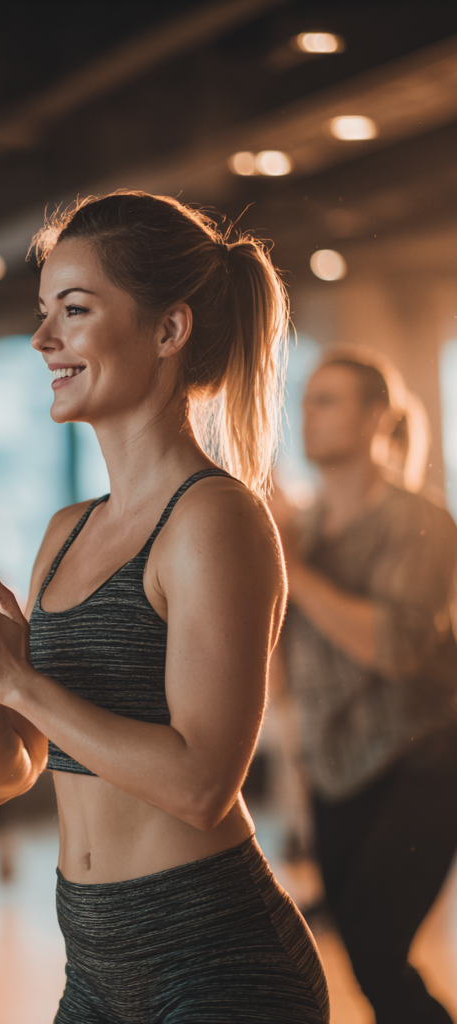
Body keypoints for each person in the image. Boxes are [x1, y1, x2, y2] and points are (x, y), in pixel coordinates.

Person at [0, 190, 330, 1023]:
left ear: (169, 331)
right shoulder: (66, 532)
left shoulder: (214, 518)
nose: (42, 339)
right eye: (43, 312)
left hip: (218, 961)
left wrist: (22, 684)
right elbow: (9, 778)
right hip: (97, 963)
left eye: (74, 310)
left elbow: (204, 782)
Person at [273, 351, 457, 1024]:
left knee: (378, 949)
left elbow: (397, 648)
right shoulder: (303, 530)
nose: (307, 416)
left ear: (375, 416)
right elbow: (282, 669)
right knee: (363, 957)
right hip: (333, 770)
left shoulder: (422, 523)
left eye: (327, 401)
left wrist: (298, 572)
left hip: (420, 766)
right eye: (306, 401)